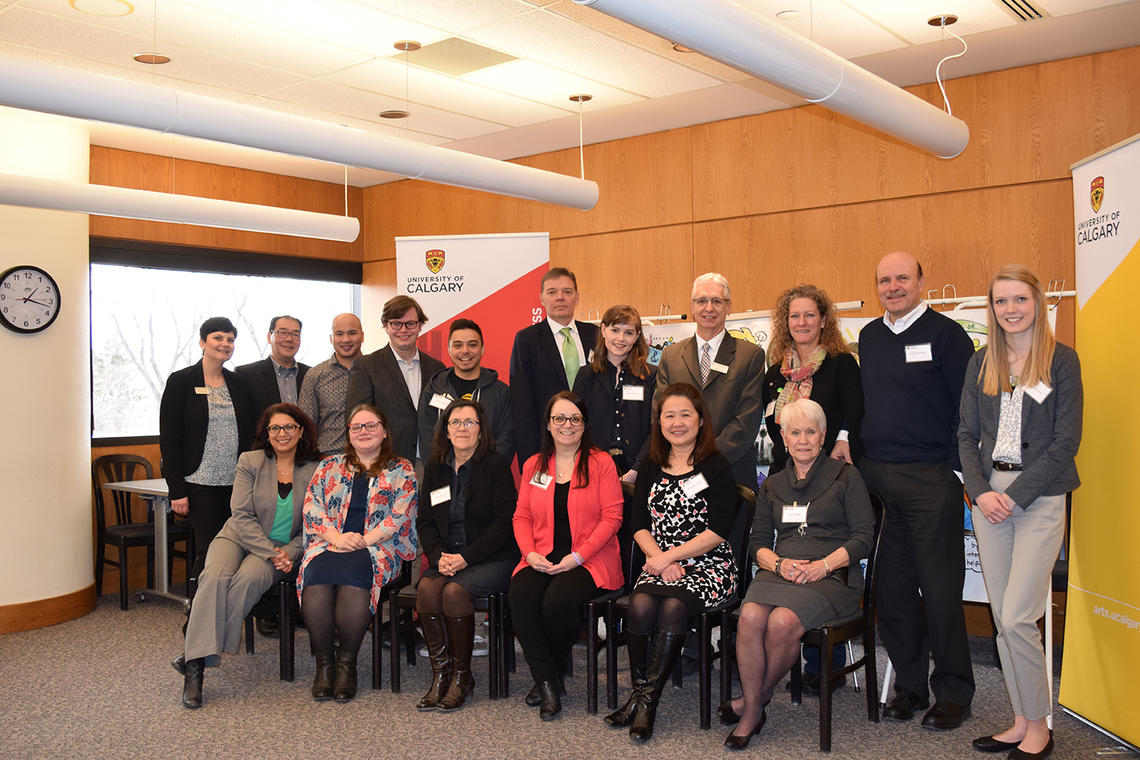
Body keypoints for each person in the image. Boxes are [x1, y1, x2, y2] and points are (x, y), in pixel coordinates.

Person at [959, 266, 1082, 760]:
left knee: (1016, 617)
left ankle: (1040, 727)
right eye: (1001, 301)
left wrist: (1015, 495)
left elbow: (1065, 443)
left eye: (1020, 300)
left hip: (1040, 497)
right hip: (989, 497)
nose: (1010, 310)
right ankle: (1020, 720)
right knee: (1003, 615)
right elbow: (966, 437)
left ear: (1038, 303)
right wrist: (979, 490)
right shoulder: (981, 362)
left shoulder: (1062, 362)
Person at [859, 251, 976, 729]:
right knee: (893, 590)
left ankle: (953, 691)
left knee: (943, 590)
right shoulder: (868, 337)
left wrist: (956, 473)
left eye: (902, 278)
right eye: (884, 279)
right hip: (878, 480)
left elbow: (967, 412)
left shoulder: (948, 336)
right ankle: (908, 686)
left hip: (932, 477)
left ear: (922, 282)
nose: (893, 286)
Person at [724, 398, 875, 750]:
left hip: (832, 576)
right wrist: (778, 564)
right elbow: (758, 542)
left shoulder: (846, 476)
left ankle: (752, 706)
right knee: (748, 615)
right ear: (783, 437)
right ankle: (754, 702)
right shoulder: (773, 484)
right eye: (796, 432)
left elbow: (863, 538)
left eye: (811, 431)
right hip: (782, 570)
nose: (803, 439)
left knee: (781, 623)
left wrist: (824, 564)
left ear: (823, 436)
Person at [604, 383, 738, 742]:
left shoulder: (716, 465)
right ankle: (642, 698)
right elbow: (638, 524)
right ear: (659, 422)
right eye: (669, 416)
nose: (677, 423)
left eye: (685, 415)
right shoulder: (652, 463)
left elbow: (719, 531)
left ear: (700, 420)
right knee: (642, 603)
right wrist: (659, 559)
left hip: (710, 564)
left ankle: (644, 702)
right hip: (659, 560)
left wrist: (670, 557)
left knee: (674, 606)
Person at [174, 403, 320, 709]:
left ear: (301, 431)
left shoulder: (315, 469)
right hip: (239, 537)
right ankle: (196, 669)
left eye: (289, 427)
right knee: (212, 577)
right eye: (275, 428)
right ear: (266, 434)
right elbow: (240, 515)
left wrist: (288, 553)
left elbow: (313, 524)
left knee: (247, 580)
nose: (282, 434)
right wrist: (270, 552)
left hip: (282, 547)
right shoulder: (250, 461)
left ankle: (193, 657)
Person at [762, 284, 863, 694]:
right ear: (785, 324)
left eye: (809, 315)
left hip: (829, 474)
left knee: (824, 555)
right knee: (792, 554)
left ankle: (825, 663)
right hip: (787, 476)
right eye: (793, 316)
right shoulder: (775, 374)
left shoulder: (841, 365)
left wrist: (841, 440)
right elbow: (772, 424)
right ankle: (794, 656)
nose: (801, 323)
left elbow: (855, 412)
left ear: (824, 320)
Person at [509, 391, 623, 721]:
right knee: (520, 593)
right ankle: (548, 680)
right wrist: (529, 554)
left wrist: (578, 557)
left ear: (585, 425)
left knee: (557, 601)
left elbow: (612, 518)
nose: (566, 425)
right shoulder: (534, 464)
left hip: (591, 557)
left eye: (574, 419)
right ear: (548, 424)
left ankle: (550, 675)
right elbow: (522, 517)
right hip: (542, 552)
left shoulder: (601, 463)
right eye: (559, 418)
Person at [297, 404, 418, 703]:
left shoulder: (402, 469)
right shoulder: (329, 466)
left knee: (353, 577)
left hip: (378, 547)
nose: (364, 431)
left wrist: (364, 541)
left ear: (385, 430)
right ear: (348, 434)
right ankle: (325, 665)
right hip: (329, 543)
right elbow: (312, 507)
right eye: (357, 427)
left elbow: (399, 516)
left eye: (371, 425)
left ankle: (347, 665)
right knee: (317, 577)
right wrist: (337, 538)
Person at [415, 399, 519, 712]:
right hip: (447, 555)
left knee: (454, 592)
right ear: (445, 430)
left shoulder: (495, 464)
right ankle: (440, 675)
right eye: (455, 422)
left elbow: (504, 523)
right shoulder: (436, 465)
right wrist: (437, 557)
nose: (463, 428)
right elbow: (425, 520)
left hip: (492, 557)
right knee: (427, 589)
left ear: (480, 429)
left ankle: (463, 677)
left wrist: (466, 558)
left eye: (469, 422)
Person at [159, 316, 255, 581]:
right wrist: (176, 490)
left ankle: (227, 610)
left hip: (236, 483)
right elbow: (169, 440)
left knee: (236, 548)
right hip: (199, 482)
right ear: (202, 342)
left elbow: (247, 434)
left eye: (230, 339)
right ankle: (197, 616)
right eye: (218, 338)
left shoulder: (238, 384)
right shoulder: (181, 381)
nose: (225, 344)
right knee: (209, 550)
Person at [655, 272, 766, 488]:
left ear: (729, 306)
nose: (709, 308)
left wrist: (704, 462)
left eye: (717, 301)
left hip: (732, 473)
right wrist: (684, 461)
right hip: (679, 472)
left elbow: (747, 420)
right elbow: (659, 412)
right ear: (692, 307)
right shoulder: (671, 355)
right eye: (702, 301)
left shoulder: (750, 355)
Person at [509, 268, 599, 469]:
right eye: (552, 292)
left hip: (593, 445)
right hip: (546, 447)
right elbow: (521, 404)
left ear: (577, 297)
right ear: (541, 298)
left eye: (567, 291)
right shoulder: (526, 340)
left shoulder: (596, 334)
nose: (560, 297)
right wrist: (531, 458)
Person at [346, 296, 445, 466]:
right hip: (385, 463)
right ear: (386, 326)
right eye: (396, 323)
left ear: (420, 326)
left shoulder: (437, 368)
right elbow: (356, 418)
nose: (403, 330)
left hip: (432, 463)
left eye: (410, 323)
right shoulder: (366, 367)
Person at [573, 305, 656, 484]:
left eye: (629, 332)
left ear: (638, 336)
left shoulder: (651, 375)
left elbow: (657, 426)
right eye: (615, 330)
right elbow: (576, 422)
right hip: (593, 468)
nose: (620, 338)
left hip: (640, 470)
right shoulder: (586, 375)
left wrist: (637, 469)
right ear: (603, 330)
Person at [419, 318, 514, 465]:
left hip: (488, 479)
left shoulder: (501, 392)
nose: (465, 351)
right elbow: (427, 439)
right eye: (458, 345)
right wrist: (442, 473)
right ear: (449, 350)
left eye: (472, 345)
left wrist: (484, 473)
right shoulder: (433, 390)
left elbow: (506, 439)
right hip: (444, 478)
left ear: (482, 350)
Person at [299, 313, 365, 458]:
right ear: (331, 338)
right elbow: (306, 427)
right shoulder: (315, 375)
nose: (346, 339)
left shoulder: (374, 369)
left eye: (352, 333)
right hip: (328, 460)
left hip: (371, 459)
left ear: (362, 336)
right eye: (339, 334)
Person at [236, 315, 309, 417]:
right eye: (283, 333)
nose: (289, 339)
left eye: (295, 334)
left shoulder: (311, 375)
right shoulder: (246, 375)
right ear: (269, 337)